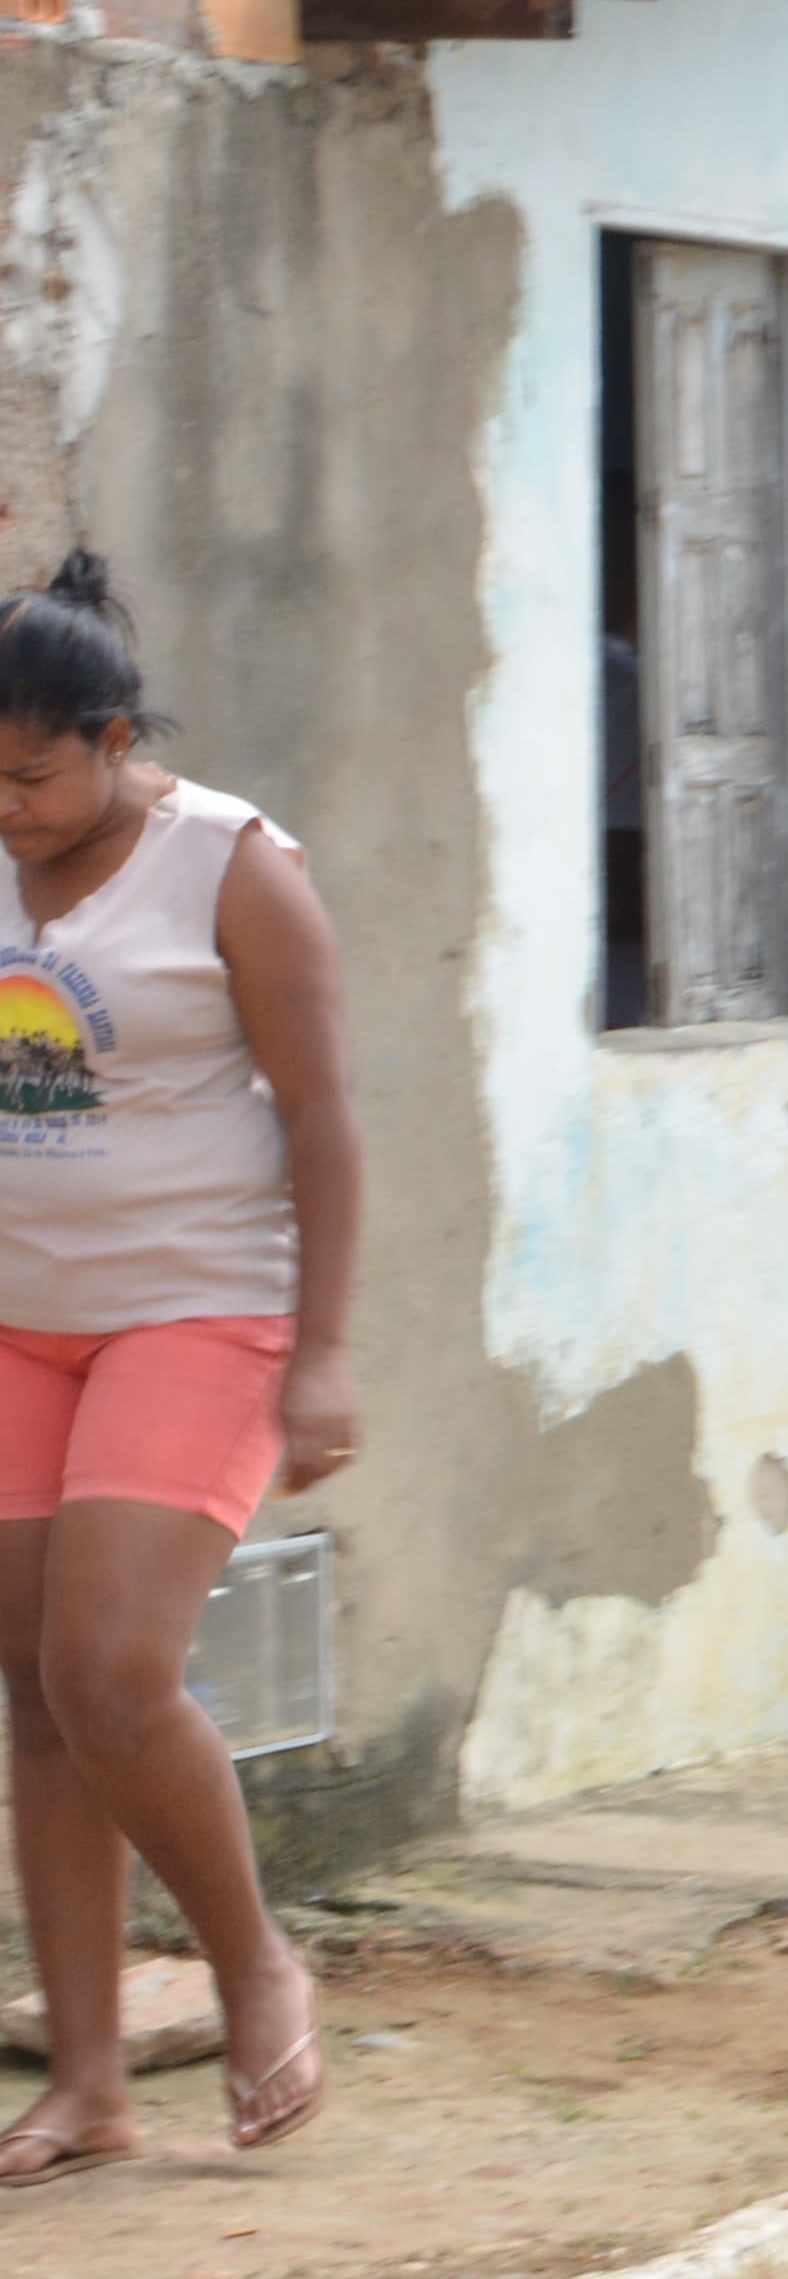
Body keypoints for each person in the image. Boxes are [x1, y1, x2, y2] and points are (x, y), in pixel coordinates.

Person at [0, 555, 355, 2186]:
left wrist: (325, 1351)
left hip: (198, 1308)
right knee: (39, 1689)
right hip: (20, 1316)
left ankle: (253, 1964)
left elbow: (323, 1114)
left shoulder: (231, 864)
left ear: (115, 739)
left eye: (30, 775)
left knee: (113, 1667)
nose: (7, 807)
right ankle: (88, 2081)